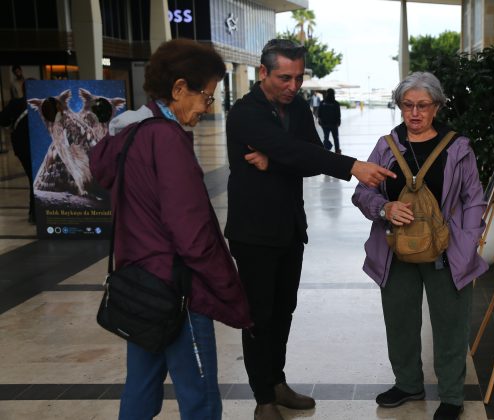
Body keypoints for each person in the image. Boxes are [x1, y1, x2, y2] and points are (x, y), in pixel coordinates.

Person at [224, 38, 395, 420]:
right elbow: (295, 150)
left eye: (299, 78)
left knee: (284, 309)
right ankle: (263, 398)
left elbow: (306, 157)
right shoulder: (244, 113)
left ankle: (278, 381)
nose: (293, 86)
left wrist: (277, 158)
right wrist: (351, 165)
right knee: (259, 316)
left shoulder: (298, 107)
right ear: (263, 72)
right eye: (284, 77)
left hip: (289, 228)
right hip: (253, 233)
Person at [89, 39, 252, 420]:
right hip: (177, 293)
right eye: (206, 97)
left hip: (139, 287)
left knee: (140, 392)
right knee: (200, 400)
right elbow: (192, 233)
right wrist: (230, 291)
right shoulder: (165, 139)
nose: (206, 108)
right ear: (179, 88)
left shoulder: (129, 133)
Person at [352, 72, 488, 420]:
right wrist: (384, 208)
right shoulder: (386, 146)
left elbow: (474, 199)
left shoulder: (458, 147)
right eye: (407, 105)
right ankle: (408, 383)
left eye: (422, 106)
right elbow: (363, 191)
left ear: (437, 107)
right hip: (396, 250)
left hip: (447, 251)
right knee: (399, 320)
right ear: (399, 107)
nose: (414, 113)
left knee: (450, 324)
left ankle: (453, 396)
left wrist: (468, 241)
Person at [0, 78, 34, 222]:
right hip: (38, 147)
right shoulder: (46, 103)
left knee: (32, 178)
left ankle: (34, 213)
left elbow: (2, 120)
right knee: (36, 178)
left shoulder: (15, 104)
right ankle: (36, 213)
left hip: (22, 148)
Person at [318, 88, 341, 153]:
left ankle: (326, 150)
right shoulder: (336, 103)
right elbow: (338, 114)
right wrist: (338, 122)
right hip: (334, 124)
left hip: (325, 124)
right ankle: (337, 150)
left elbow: (319, 113)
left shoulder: (323, 103)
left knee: (326, 137)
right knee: (336, 138)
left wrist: (320, 121)